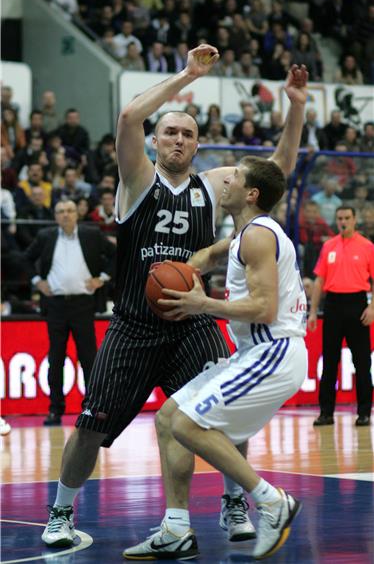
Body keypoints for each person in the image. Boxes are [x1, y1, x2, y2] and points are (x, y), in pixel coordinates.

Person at [40, 44, 307, 550]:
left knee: (221, 414)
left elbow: (275, 173)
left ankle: (229, 503)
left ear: (197, 144)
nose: (179, 139)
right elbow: (126, 115)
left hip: (194, 321)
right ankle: (59, 512)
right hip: (135, 325)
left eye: (187, 133)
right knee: (90, 427)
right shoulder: (137, 177)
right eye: (170, 132)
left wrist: (295, 108)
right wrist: (187, 75)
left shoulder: (213, 186)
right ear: (156, 141)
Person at [124, 153, 308, 560]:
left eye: (236, 178)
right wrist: (183, 270)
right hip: (255, 353)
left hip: (273, 352)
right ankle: (175, 528)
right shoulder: (246, 234)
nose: (226, 182)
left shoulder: (260, 235)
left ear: (251, 194)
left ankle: (271, 500)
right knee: (170, 417)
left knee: (189, 425)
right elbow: (209, 255)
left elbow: (263, 308)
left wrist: (199, 303)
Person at [25, 199, 115, 426]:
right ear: (55, 216)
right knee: (56, 359)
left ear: (77, 214)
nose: (65, 215)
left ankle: (92, 409)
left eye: (70, 211)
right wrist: (37, 281)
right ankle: (55, 410)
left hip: (83, 305)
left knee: (89, 358)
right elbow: (24, 259)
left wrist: (101, 279)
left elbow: (116, 256)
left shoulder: (91, 234)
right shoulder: (46, 236)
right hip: (55, 305)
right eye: (61, 212)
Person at [308, 206, 374, 427]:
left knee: (362, 362)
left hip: (357, 305)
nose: (343, 221)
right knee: (329, 362)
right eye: (340, 218)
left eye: (347, 218)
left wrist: (372, 307)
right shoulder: (329, 246)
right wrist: (312, 312)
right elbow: (319, 281)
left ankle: (364, 412)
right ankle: (326, 413)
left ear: (355, 219)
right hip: (333, 305)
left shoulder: (367, 247)